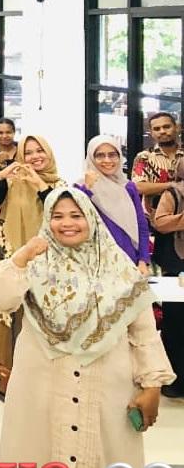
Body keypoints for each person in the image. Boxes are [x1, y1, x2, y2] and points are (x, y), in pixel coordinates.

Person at [0, 189, 174, 468]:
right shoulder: (34, 264)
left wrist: (153, 384)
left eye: (76, 215)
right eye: (57, 216)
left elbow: (142, 331)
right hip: (41, 389)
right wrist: (23, 255)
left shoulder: (119, 268)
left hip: (107, 390)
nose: (67, 223)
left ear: (92, 219)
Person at [0, 134, 65, 400]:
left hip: (45, 259)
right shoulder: (11, 182)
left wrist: (38, 184)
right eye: (29, 152)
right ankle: (7, 385)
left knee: (38, 318)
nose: (35, 157)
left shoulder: (60, 185)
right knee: (5, 317)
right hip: (7, 254)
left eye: (40, 151)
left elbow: (58, 211)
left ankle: (39, 385)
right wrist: (1, 176)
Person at [76, 135, 150, 272]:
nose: (107, 160)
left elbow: (141, 225)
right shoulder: (80, 188)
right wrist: (88, 188)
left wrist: (143, 260)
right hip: (95, 263)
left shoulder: (128, 187)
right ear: (91, 158)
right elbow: (77, 220)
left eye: (112, 155)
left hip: (128, 259)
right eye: (100, 155)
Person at [150, 157, 184, 398]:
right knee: (175, 323)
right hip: (177, 267)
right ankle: (175, 381)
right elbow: (160, 223)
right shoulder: (174, 192)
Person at [132, 112, 184, 213]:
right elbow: (138, 187)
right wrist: (172, 185)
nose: (162, 131)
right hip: (154, 218)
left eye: (167, 127)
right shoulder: (144, 157)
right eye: (157, 129)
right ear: (151, 133)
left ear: (177, 128)